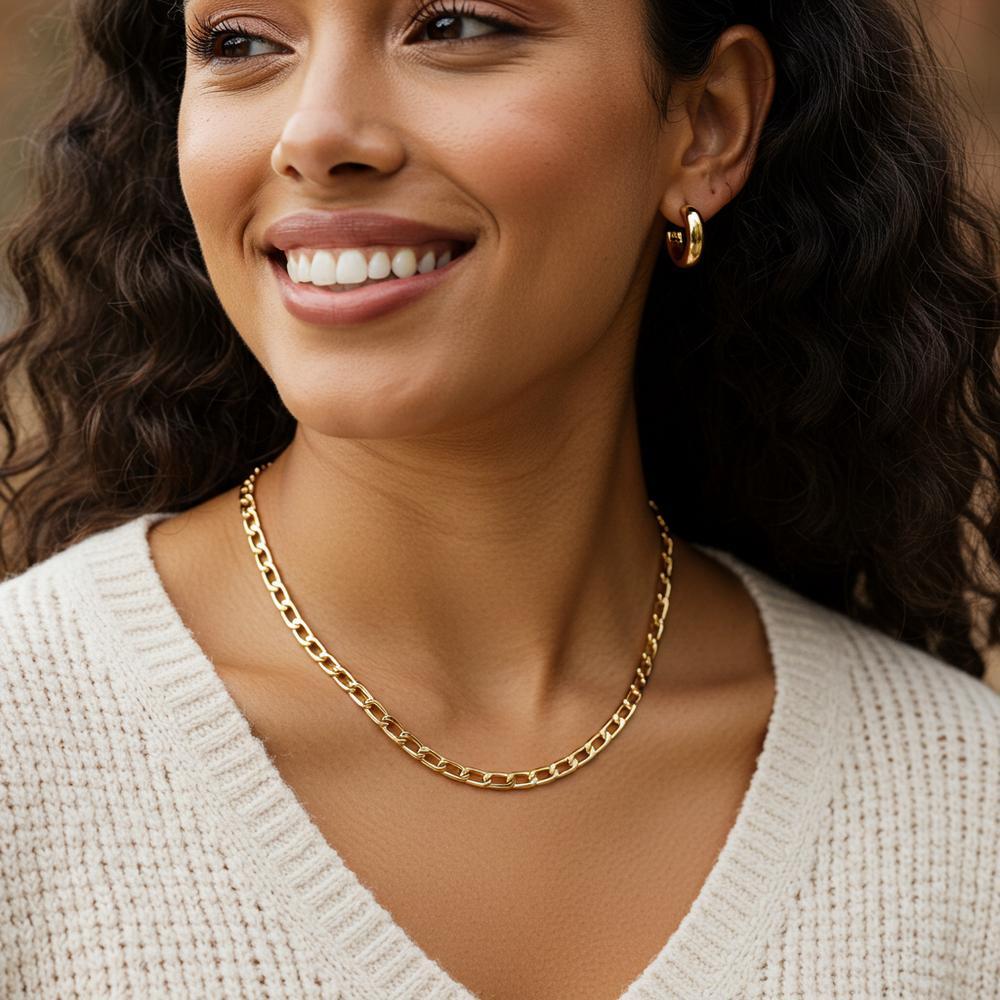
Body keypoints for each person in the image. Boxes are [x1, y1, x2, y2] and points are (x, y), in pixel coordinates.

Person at [0, 0, 998, 997]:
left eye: (454, 26)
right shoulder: (25, 747)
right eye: (241, 42)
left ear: (707, 124)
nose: (316, 135)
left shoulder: (960, 812)